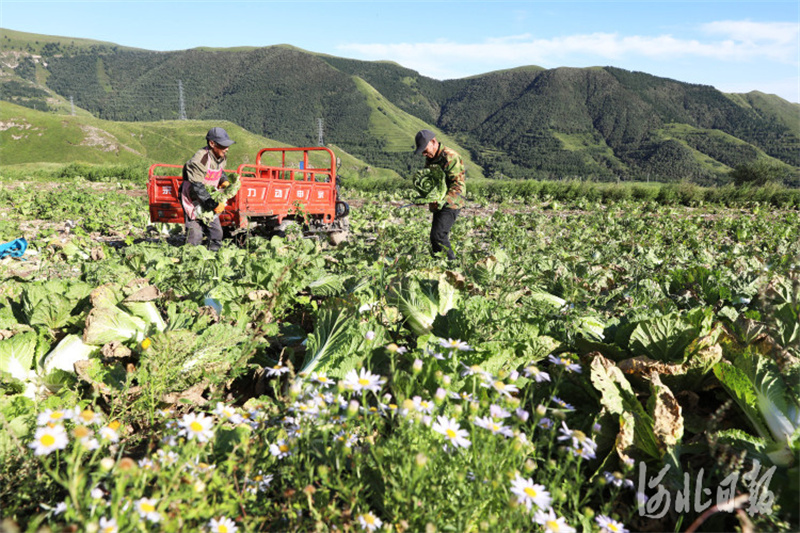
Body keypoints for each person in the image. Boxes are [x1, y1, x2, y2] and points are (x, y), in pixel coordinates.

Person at [413, 129, 466, 261]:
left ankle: (452, 267)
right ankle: (441, 264)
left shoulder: (450, 156)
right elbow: (431, 184)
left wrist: (444, 200)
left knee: (438, 236)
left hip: (452, 201)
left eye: (425, 150)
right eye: (422, 152)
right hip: (439, 203)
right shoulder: (430, 159)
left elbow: (457, 184)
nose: (424, 154)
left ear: (433, 142)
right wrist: (425, 197)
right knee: (435, 237)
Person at [179, 127, 234, 251]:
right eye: (223, 145)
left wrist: (223, 180)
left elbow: (219, 170)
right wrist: (213, 204)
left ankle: (212, 258)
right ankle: (190, 260)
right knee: (195, 234)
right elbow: (197, 187)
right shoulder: (200, 159)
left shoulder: (220, 156)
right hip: (193, 198)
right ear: (212, 143)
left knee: (216, 233)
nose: (227, 149)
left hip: (207, 196)